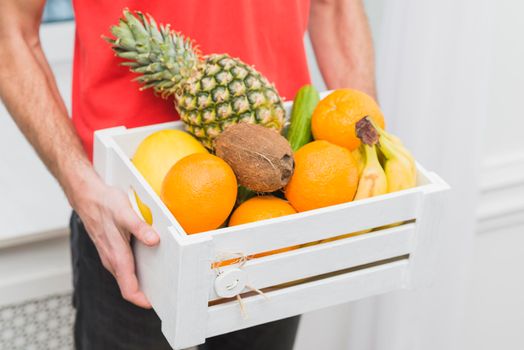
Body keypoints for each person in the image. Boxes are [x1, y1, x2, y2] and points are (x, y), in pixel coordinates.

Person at [0, 0, 376, 349]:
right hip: (127, 216)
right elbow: (10, 28)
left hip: (277, 203)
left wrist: (365, 143)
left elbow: (335, 6)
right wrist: (81, 187)